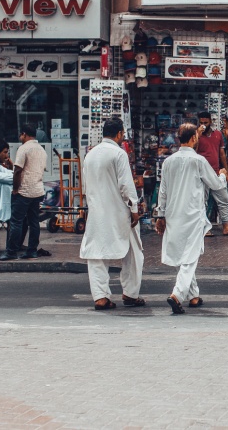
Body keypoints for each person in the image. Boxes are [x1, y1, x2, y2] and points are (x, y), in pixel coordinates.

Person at [156, 123, 228, 314]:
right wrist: (222, 175)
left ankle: (193, 295)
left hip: (173, 214)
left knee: (185, 254)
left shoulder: (168, 162)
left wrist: (160, 215)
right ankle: (177, 294)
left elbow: (162, 192)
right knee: (191, 256)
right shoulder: (198, 161)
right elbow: (216, 185)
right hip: (193, 214)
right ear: (194, 138)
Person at [81, 119, 145, 311]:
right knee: (134, 252)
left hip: (96, 211)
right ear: (119, 134)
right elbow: (126, 185)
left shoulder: (90, 155)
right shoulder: (118, 154)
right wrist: (134, 209)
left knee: (96, 254)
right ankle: (130, 293)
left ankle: (100, 296)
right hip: (118, 211)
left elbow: (86, 186)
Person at [0, 125, 47, 261]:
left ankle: (11, 252)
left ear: (24, 134)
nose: (20, 138)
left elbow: (18, 171)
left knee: (16, 222)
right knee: (34, 222)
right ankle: (32, 251)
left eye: (21, 135)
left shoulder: (23, 148)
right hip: (37, 190)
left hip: (24, 191)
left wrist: (15, 189)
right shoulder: (42, 150)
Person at [195, 111, 228, 237]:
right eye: (201, 123)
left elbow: (221, 154)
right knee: (202, 201)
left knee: (224, 199)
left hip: (215, 173)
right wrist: (197, 135)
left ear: (210, 122)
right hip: (201, 174)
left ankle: (226, 226)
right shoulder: (196, 136)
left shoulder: (218, 134)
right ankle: (204, 228)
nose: (203, 125)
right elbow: (192, 150)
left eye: (206, 122)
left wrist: (226, 171)